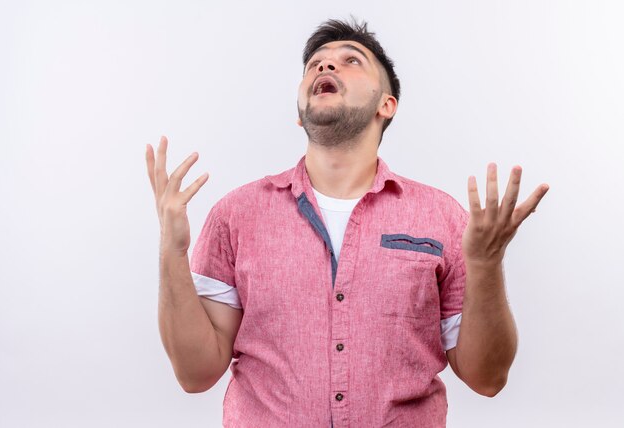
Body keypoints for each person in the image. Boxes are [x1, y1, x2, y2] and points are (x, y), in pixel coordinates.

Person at [145, 18, 549, 428]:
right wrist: (171, 253)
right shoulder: (236, 215)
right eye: (314, 65)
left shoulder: (442, 218)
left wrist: (485, 263)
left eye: (350, 60)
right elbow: (196, 374)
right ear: (301, 115)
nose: (325, 68)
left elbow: (488, 378)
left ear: (385, 104)